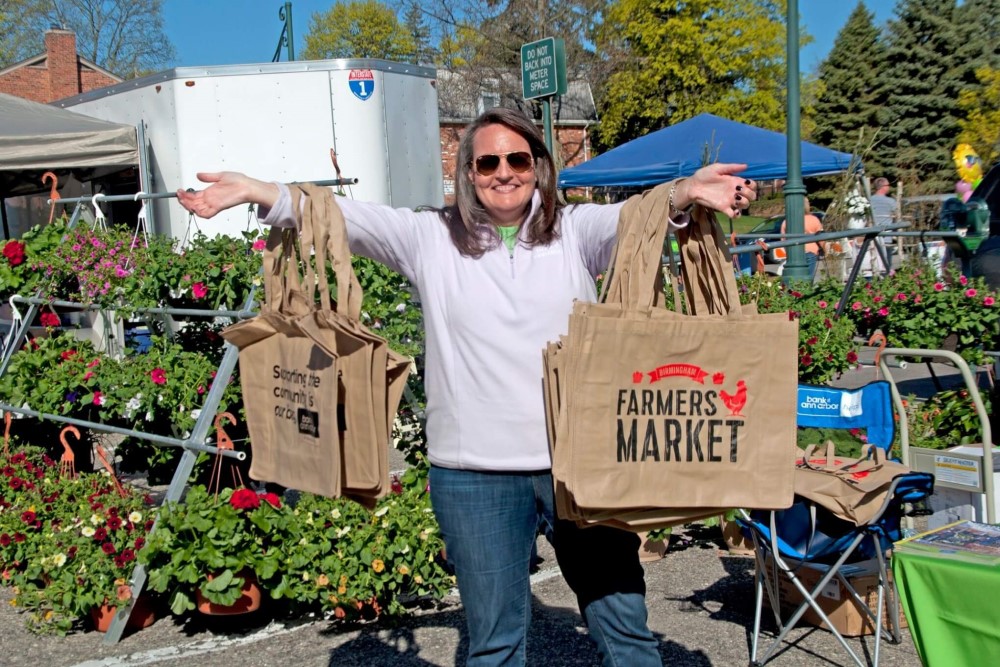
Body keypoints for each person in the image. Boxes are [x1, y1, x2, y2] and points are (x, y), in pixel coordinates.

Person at [176, 108, 755, 667]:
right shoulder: (430, 236)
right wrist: (259, 190)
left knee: (623, 626)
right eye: (487, 163)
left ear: (538, 166)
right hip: (472, 475)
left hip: (581, 464)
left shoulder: (576, 231)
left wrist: (687, 190)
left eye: (518, 159)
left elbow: (640, 216)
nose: (504, 172)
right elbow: (342, 217)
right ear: (468, 174)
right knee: (495, 644)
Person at [780, 197, 824, 280]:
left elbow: (783, 239)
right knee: (808, 276)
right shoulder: (814, 219)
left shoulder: (787, 221)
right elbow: (820, 237)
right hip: (811, 251)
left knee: (794, 278)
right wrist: (824, 249)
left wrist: (787, 252)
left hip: (792, 253)